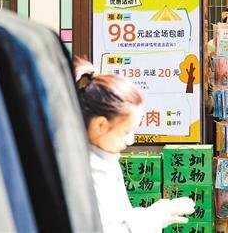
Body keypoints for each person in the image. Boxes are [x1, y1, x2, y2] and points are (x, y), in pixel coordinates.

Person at [74, 58, 195, 233]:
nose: (131, 140)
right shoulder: (86, 169)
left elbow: (117, 218)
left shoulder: (104, 158)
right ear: (100, 125)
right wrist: (155, 216)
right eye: (126, 131)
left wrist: (155, 214)